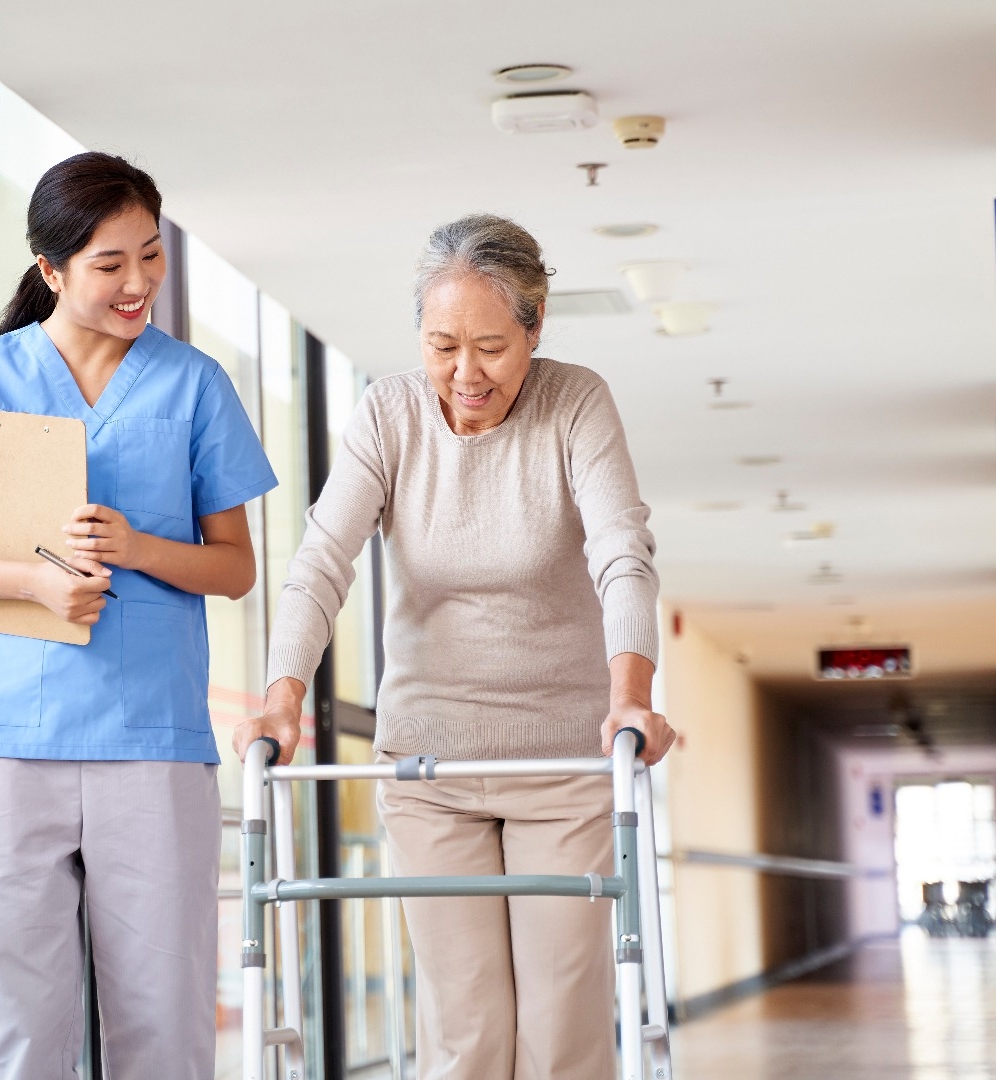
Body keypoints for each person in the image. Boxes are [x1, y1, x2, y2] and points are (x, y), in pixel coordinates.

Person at [235, 213, 678, 1080]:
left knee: (559, 1035)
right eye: (442, 347)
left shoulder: (574, 402)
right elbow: (322, 561)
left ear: (535, 329)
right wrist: (283, 697)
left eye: (490, 348)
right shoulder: (389, 415)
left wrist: (631, 694)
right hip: (428, 769)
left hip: (562, 765)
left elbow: (622, 552)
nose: (465, 375)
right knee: (466, 1033)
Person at [0, 151, 277, 1079]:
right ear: (52, 271)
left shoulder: (194, 385)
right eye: (109, 264)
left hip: (154, 742)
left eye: (150, 256)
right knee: (12, 1028)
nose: (138, 283)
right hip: (5, 744)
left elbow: (236, 567)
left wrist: (136, 548)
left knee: (165, 1025)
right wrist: (32, 582)